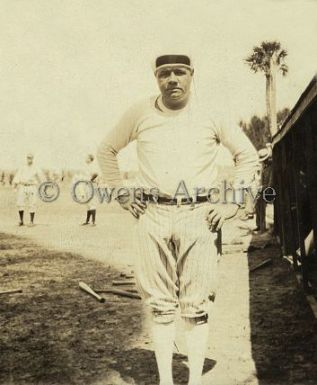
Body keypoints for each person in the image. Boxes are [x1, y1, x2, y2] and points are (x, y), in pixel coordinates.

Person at [97, 54, 258, 385]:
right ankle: (166, 382)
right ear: (156, 78)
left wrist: (231, 205)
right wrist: (122, 193)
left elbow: (247, 155)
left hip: (198, 215)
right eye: (164, 73)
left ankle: (194, 381)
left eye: (179, 72)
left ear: (191, 75)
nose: (172, 79)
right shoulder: (140, 112)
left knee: (196, 305)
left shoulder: (210, 114)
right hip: (152, 214)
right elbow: (106, 150)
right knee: (159, 304)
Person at [12, 153, 44, 226]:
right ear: (26, 158)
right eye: (28, 158)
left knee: (32, 203)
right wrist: (15, 186)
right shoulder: (22, 167)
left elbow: (41, 177)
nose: (29, 159)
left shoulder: (36, 168)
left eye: (31, 158)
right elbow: (17, 177)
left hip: (32, 187)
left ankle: (31, 221)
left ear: (33, 159)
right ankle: (21, 221)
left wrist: (43, 186)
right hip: (23, 186)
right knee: (20, 203)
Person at [80, 154, 99, 226]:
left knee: (92, 203)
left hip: (91, 185)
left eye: (86, 158)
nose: (85, 159)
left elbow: (96, 174)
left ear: (90, 159)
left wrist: (90, 180)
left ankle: (93, 222)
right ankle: (87, 221)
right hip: (86, 186)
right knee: (88, 204)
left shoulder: (92, 166)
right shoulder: (87, 166)